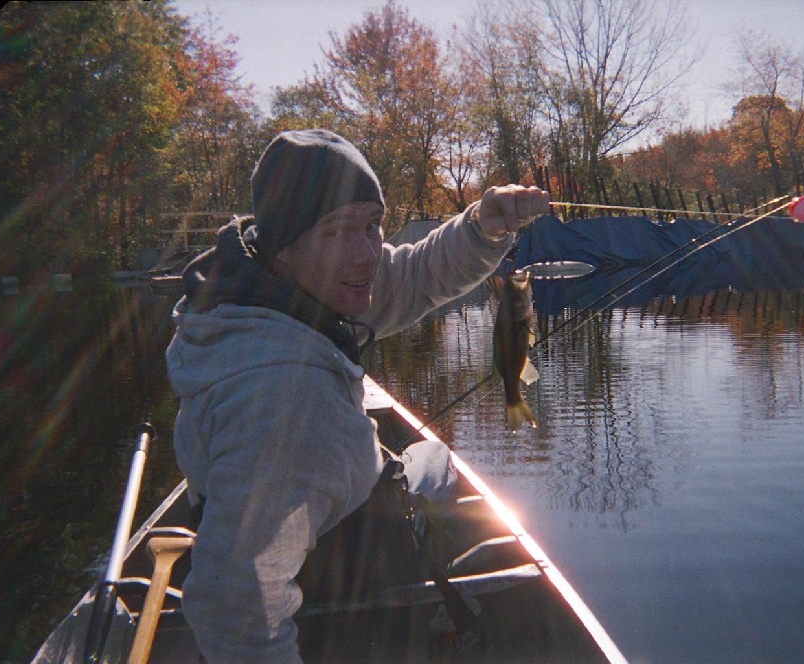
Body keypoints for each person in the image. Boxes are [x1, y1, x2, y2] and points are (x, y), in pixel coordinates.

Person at [165, 128, 549, 663]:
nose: (368, 252)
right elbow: (234, 609)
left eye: (372, 226)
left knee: (430, 460)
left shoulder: (279, 291)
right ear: (286, 242)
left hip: (322, 544)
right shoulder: (287, 405)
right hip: (336, 608)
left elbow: (413, 275)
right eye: (338, 231)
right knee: (435, 464)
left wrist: (481, 229)